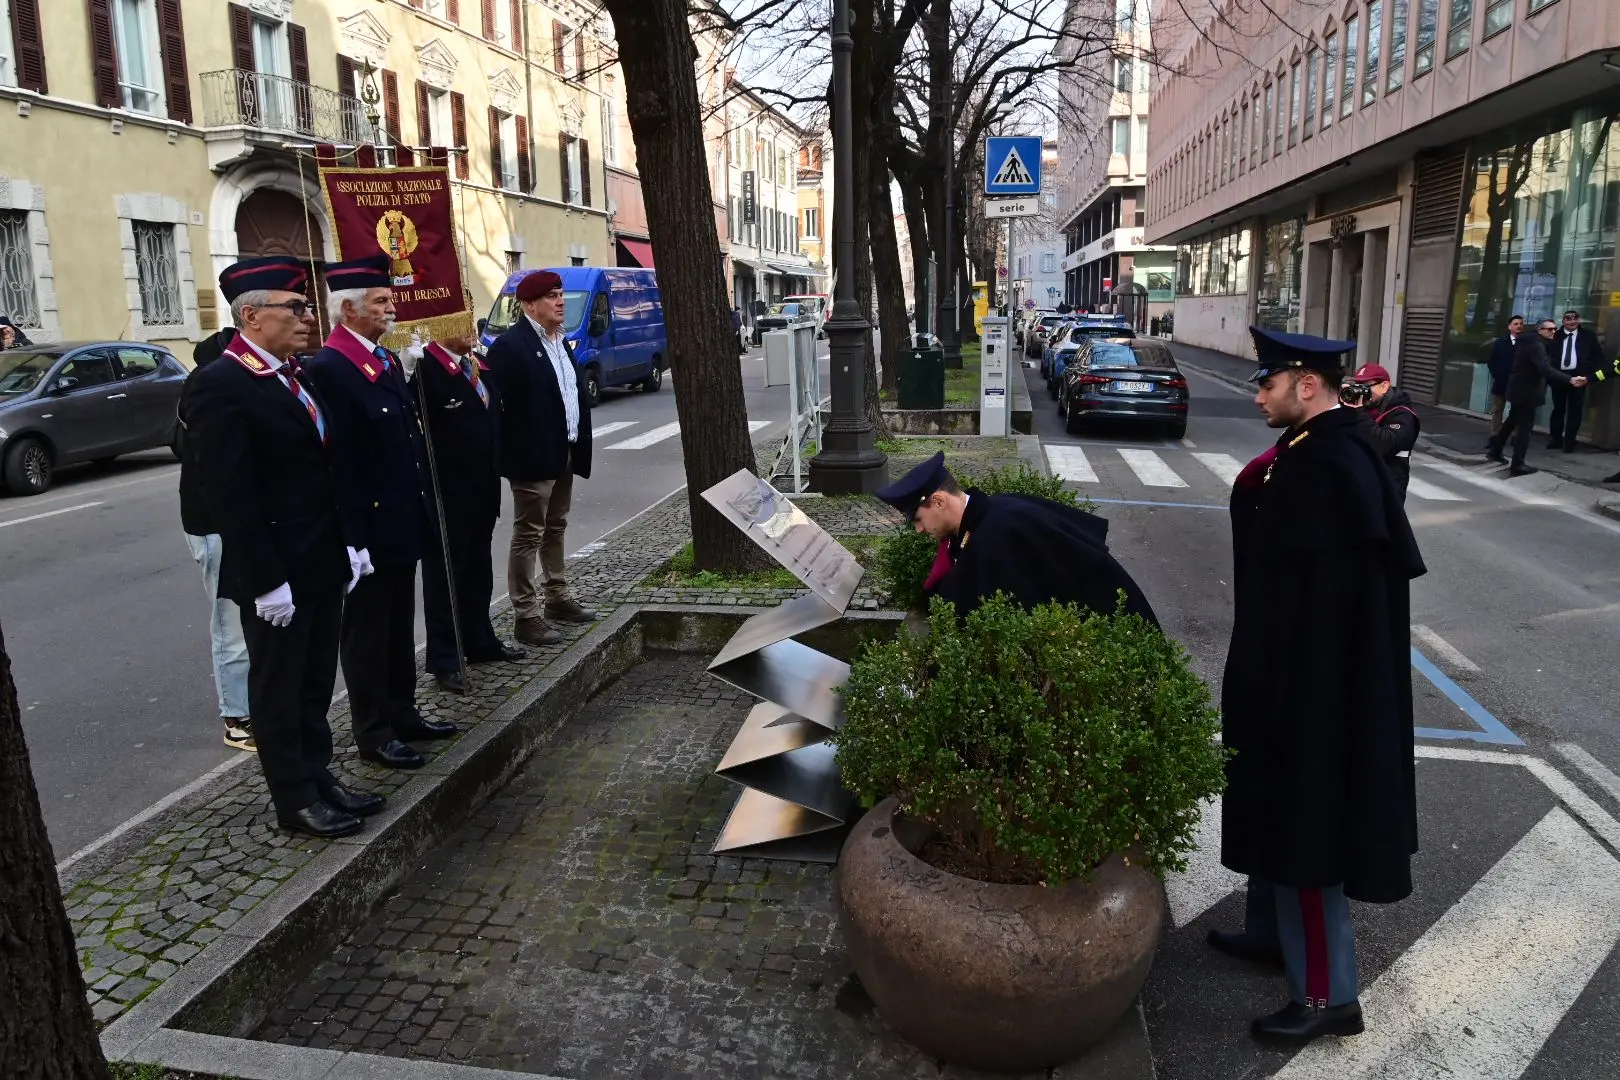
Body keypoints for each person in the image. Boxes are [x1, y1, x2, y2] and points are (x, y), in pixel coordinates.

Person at [1209, 327, 1426, 1046]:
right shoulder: (1314, 449)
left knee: (1307, 826)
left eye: (1268, 384)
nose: (1258, 397)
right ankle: (1272, 933)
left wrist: (1300, 699)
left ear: (1307, 385)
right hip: (1289, 673)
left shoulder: (1330, 462)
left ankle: (1329, 996)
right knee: (1276, 807)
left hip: (1314, 691)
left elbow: (1329, 611)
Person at [185, 256, 383, 839]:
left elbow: (329, 468)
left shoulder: (295, 375)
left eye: (305, 306)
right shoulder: (220, 384)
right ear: (251, 316)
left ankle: (318, 776)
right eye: (294, 307)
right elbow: (231, 496)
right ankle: (293, 798)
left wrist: (351, 543)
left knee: (315, 681)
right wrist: (266, 581)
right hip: (276, 571)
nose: (307, 317)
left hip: (320, 557)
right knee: (278, 687)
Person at [305, 255, 457, 773]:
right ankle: (373, 730)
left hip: (399, 518)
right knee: (367, 634)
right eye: (381, 301)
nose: (393, 308)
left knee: (397, 626)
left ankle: (403, 712)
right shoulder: (330, 367)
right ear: (348, 309)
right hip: (367, 527)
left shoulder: (383, 360)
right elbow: (340, 462)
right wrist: (352, 536)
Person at [873, 451, 1158, 625]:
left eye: (918, 519)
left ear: (938, 501)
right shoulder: (989, 514)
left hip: (1122, 639)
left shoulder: (997, 536)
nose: (919, 530)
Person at [484, 270, 597, 647]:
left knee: (556, 526)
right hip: (532, 457)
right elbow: (498, 408)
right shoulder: (510, 346)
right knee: (529, 533)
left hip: (564, 450)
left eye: (561, 294)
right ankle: (526, 614)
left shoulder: (561, 341)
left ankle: (557, 596)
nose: (560, 301)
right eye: (551, 296)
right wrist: (512, 453)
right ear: (529, 305)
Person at [412, 322, 525, 693]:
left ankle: (479, 640)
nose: (471, 329)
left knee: (478, 570)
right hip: (447, 493)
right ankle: (445, 657)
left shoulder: (477, 364)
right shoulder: (424, 369)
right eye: (460, 321)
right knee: (445, 578)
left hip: (482, 489)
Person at [179, 327, 255, 750]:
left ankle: (256, 703)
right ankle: (237, 716)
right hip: (213, 524)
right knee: (230, 621)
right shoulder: (209, 383)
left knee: (253, 618)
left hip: (237, 520)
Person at [1486, 318, 1587, 476]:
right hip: (1526, 392)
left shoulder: (1532, 342)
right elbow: (1545, 369)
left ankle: (1495, 450)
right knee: (1525, 429)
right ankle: (1517, 464)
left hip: (1520, 389)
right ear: (1540, 330)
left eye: (1554, 329)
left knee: (1512, 420)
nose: (1553, 331)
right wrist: (1570, 379)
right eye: (1549, 329)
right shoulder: (1535, 345)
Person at [1343, 363, 1419, 501]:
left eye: (1366, 386)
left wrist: (1359, 412)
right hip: (1356, 484)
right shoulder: (1360, 408)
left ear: (1384, 386)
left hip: (1386, 489)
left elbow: (1384, 444)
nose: (1362, 391)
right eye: (1358, 385)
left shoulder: (1402, 414)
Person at [1546, 309, 1602, 453]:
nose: (1572, 321)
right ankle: (1556, 439)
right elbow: (1547, 355)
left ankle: (1569, 442)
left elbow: (1597, 356)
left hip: (1579, 378)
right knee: (1558, 409)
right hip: (1559, 377)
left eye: (1575, 318)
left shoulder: (1588, 336)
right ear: (1563, 321)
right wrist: (1551, 376)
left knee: (1575, 411)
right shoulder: (1555, 335)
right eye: (1568, 319)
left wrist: (1589, 376)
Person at [1477, 315, 1522, 442]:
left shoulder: (1525, 343)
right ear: (1509, 327)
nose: (1519, 326)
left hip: (1519, 382)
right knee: (1498, 408)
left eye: (1521, 324)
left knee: (1517, 410)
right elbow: (1492, 361)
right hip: (1502, 381)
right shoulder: (1500, 343)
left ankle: (1516, 435)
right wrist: (1496, 374)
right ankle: (1495, 433)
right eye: (1516, 324)